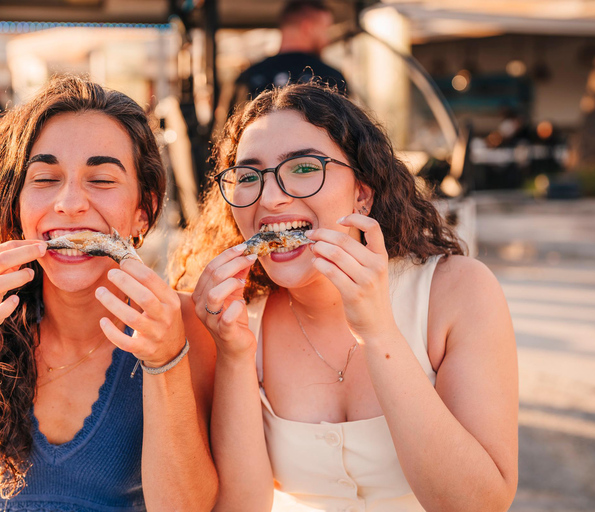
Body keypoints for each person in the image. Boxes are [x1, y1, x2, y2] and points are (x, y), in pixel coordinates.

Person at [170, 82, 518, 511]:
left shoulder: (458, 291)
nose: (271, 198)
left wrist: (379, 332)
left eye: (303, 167)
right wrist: (234, 354)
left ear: (362, 194)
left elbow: (479, 505)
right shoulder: (233, 317)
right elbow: (242, 506)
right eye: (247, 176)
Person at [0, 75, 217, 512]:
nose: (70, 203)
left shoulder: (185, 326)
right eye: (45, 178)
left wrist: (163, 361)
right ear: (17, 204)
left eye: (102, 179)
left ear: (143, 210)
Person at [222, 0, 347, 123]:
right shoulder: (331, 78)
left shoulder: (249, 76)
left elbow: (227, 130)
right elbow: (346, 131)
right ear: (307, 28)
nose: (327, 39)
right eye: (326, 30)